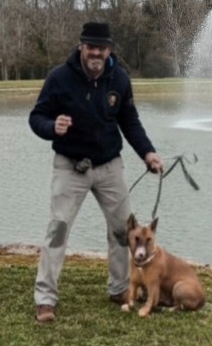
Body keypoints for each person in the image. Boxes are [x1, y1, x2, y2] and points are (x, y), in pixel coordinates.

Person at [28, 22, 164, 323]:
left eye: (101, 48)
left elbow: (130, 121)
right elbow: (36, 117)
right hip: (70, 166)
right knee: (58, 230)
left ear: (109, 49)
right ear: (81, 46)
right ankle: (45, 299)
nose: (95, 53)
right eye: (90, 47)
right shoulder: (59, 78)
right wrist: (52, 127)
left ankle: (120, 288)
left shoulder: (120, 79)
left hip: (109, 166)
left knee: (123, 232)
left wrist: (148, 153)